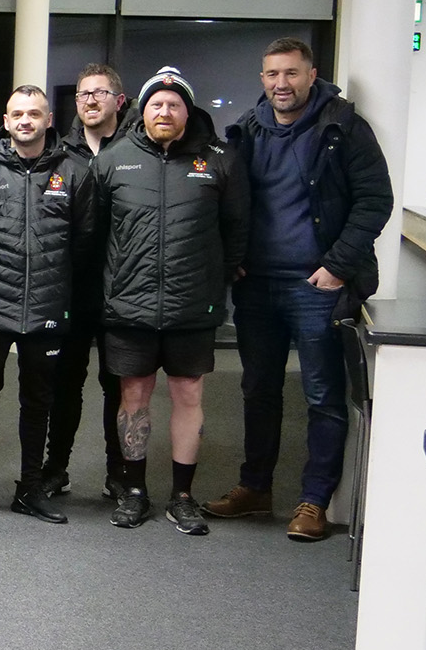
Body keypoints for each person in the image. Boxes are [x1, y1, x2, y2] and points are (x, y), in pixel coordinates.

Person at [209, 38, 393, 541]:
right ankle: (255, 488)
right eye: (272, 74)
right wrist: (235, 257)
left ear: (312, 76)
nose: (281, 84)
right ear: (262, 79)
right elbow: (229, 202)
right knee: (258, 390)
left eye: (291, 73)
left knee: (323, 396)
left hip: (317, 285)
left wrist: (337, 266)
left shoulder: (342, 128)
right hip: (256, 285)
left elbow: (375, 200)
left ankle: (314, 501)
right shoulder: (246, 131)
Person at [91, 67, 249, 534]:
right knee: (133, 396)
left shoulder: (220, 160)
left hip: (191, 306)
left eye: (174, 104)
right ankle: (134, 491)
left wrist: (212, 279)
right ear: (142, 110)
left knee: (189, 395)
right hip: (129, 305)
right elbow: (94, 234)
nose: (165, 111)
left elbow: (237, 230)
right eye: (156, 104)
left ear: (188, 110)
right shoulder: (114, 159)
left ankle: (182, 496)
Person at [0, 86, 94, 524]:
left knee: (38, 401)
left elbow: (85, 243)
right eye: (17, 114)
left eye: (34, 113)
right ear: (6, 121)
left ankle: (29, 489)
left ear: (49, 120)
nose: (25, 121)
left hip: (48, 304)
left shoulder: (74, 174)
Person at [49, 64, 130, 501]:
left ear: (119, 100)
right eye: (83, 94)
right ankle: (55, 467)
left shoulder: (137, 150)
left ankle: (119, 472)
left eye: (100, 93)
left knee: (118, 385)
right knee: (65, 383)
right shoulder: (61, 153)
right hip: (72, 286)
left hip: (124, 286)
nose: (91, 101)